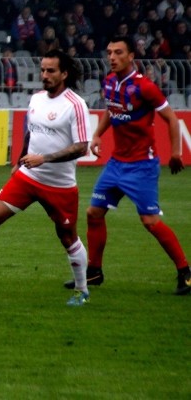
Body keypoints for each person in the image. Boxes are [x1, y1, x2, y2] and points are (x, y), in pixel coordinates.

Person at [0, 50, 92, 305]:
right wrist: (20, 159)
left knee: (67, 236)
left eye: (51, 71)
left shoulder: (75, 105)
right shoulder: (37, 99)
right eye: (42, 70)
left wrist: (44, 158)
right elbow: (31, 132)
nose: (45, 75)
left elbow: (81, 147)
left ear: (64, 74)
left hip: (59, 185)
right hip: (28, 177)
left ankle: (82, 289)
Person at [78, 35, 190, 295]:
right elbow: (111, 110)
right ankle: (94, 272)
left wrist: (175, 152)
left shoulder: (145, 87)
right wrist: (97, 134)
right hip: (116, 163)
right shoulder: (109, 83)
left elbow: (171, 119)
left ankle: (185, 271)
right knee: (93, 213)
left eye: (118, 52)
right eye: (109, 52)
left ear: (131, 57)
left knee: (149, 220)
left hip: (142, 166)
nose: (112, 58)